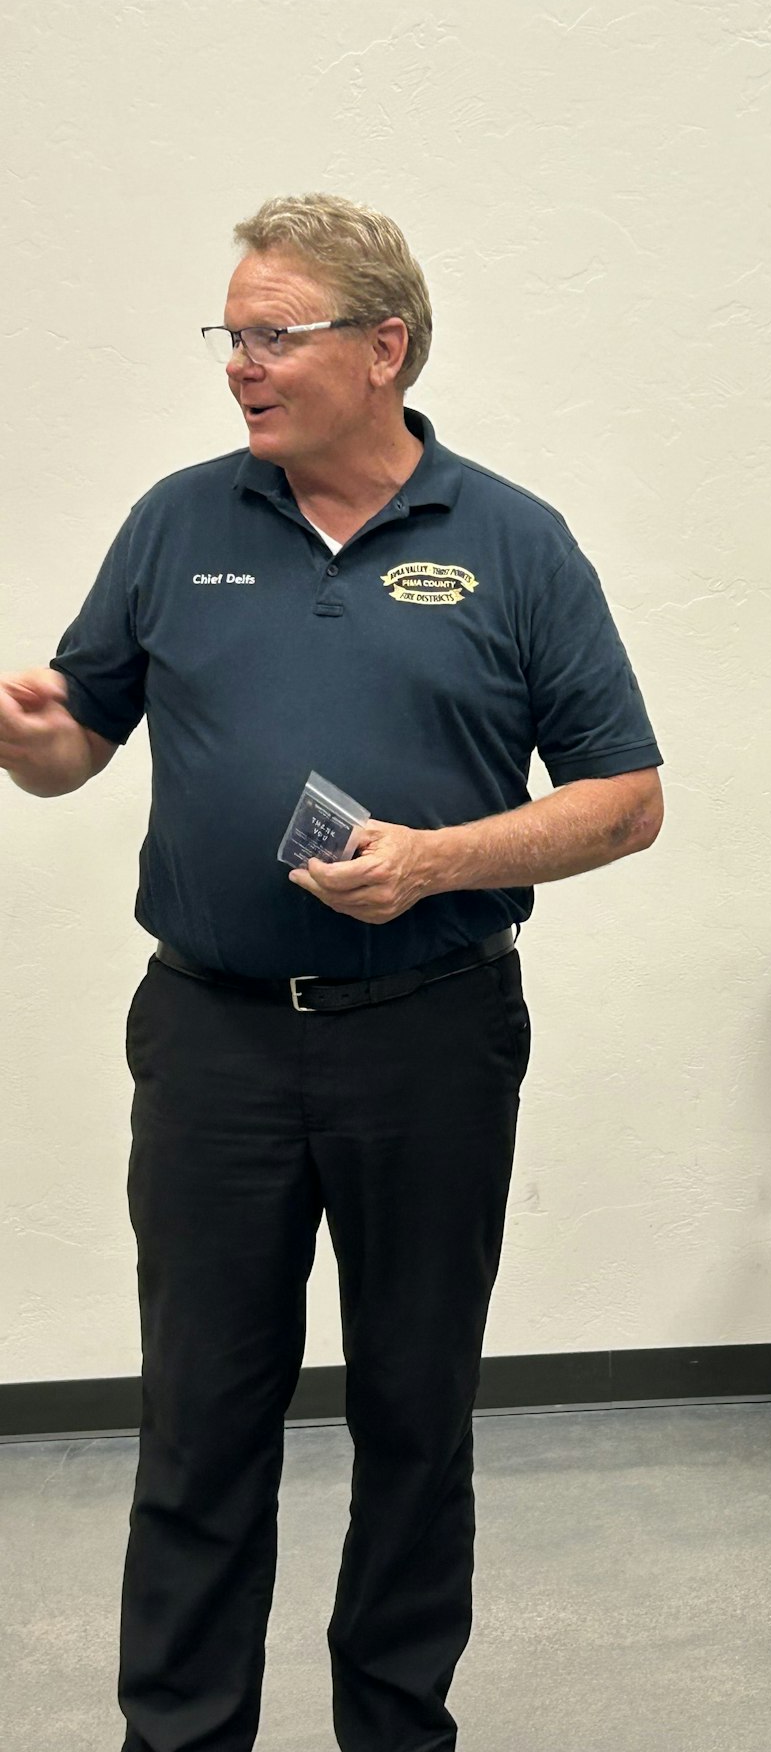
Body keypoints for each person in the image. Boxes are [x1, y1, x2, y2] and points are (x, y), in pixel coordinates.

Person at [0, 194, 664, 1752]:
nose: (244, 362)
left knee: (415, 1418)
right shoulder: (178, 522)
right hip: (214, 1041)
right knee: (200, 1422)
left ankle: (393, 1725)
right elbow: (76, 742)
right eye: (233, 333)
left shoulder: (514, 541)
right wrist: (37, 742)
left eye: (276, 332)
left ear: (386, 348)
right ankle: (180, 1735)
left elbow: (626, 799)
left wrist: (436, 860)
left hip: (429, 1039)